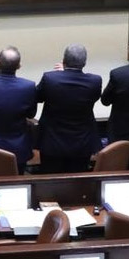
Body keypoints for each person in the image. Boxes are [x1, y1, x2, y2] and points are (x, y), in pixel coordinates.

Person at [36, 44, 102, 174]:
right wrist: (66, 73)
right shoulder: (95, 81)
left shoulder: (50, 78)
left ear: (64, 60)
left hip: (52, 143)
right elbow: (94, 97)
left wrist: (63, 73)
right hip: (82, 143)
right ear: (84, 63)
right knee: (78, 184)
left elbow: (38, 97)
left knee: (51, 183)